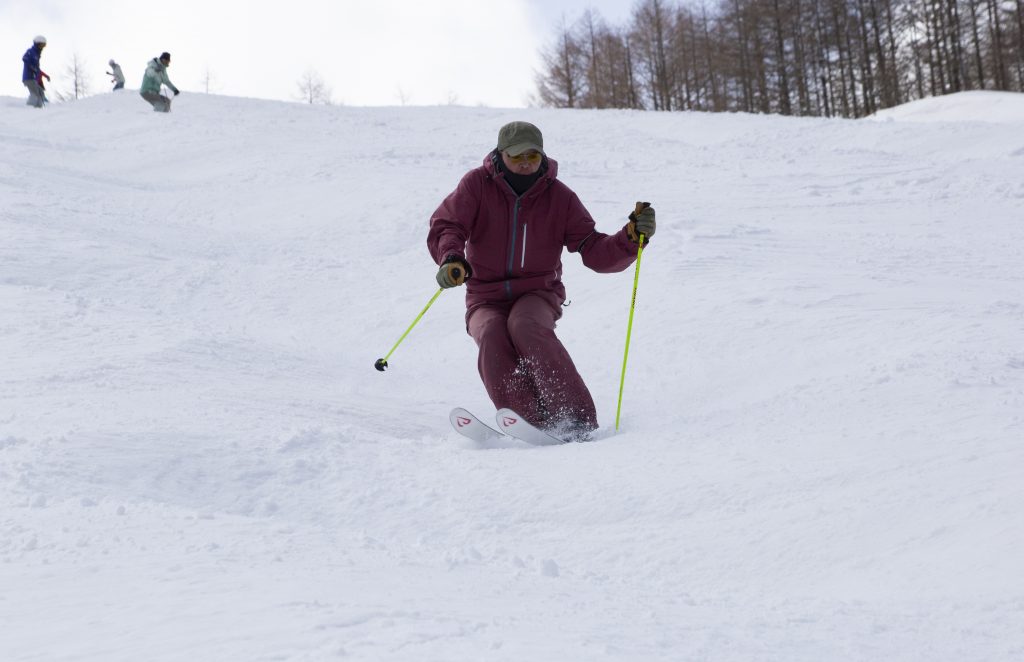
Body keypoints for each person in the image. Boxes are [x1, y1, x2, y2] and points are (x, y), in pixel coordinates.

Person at [427, 121, 656, 441]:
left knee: (525, 325)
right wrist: (451, 257)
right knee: (491, 332)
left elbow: (593, 249)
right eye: (517, 156)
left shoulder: (559, 197)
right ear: (500, 154)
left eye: (533, 156)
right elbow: (447, 225)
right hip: (484, 294)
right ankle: (527, 419)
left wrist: (630, 239)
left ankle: (573, 419)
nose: (525, 163)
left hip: (538, 291)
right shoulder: (476, 185)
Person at [21, 35, 50, 108]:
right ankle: (29, 108)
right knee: (35, 93)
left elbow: (38, 69)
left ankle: (38, 109)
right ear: (37, 44)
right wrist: (32, 68)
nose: (42, 47)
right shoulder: (31, 51)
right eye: (41, 45)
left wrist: (46, 76)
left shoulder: (37, 54)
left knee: (40, 92)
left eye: (44, 45)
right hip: (28, 77)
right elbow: (25, 58)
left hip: (33, 79)